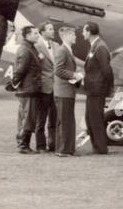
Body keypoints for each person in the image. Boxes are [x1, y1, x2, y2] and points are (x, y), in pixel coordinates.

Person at [81, 22, 114, 155]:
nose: (82, 33)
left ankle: (101, 148)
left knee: (95, 119)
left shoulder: (100, 47)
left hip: (97, 89)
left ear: (89, 32)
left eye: (84, 31)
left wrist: (106, 88)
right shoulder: (95, 46)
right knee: (90, 118)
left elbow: (107, 70)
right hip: (93, 89)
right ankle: (97, 146)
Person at [10, 26, 44, 154]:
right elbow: (20, 70)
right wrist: (15, 83)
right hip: (28, 89)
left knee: (27, 117)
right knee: (28, 118)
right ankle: (23, 145)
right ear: (27, 36)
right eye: (35, 33)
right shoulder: (26, 50)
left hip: (29, 88)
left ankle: (24, 144)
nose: (37, 35)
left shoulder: (29, 48)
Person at [52, 25, 84, 156]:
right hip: (64, 91)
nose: (76, 37)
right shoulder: (62, 50)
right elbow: (58, 70)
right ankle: (64, 150)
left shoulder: (66, 50)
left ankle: (65, 149)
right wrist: (74, 75)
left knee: (66, 120)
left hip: (66, 91)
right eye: (74, 35)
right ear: (68, 36)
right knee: (65, 121)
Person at [35, 21, 58, 149]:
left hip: (56, 88)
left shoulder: (56, 45)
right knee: (41, 119)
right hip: (43, 88)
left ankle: (53, 143)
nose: (53, 31)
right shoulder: (37, 46)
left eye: (52, 28)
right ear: (42, 32)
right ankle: (41, 145)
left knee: (54, 118)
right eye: (50, 29)